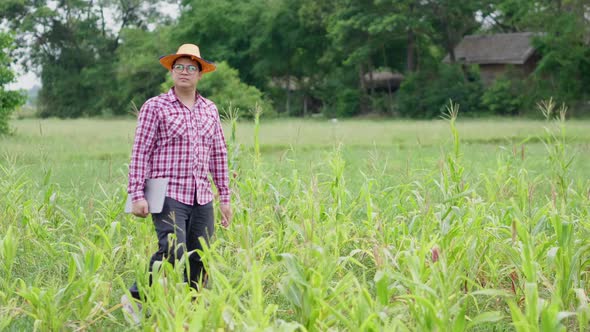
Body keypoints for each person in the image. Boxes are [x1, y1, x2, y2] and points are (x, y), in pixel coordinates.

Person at [121, 44, 232, 322]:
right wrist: (136, 194)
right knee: (173, 251)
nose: (185, 72)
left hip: (202, 196)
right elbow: (140, 152)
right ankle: (136, 297)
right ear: (172, 72)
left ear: (200, 75)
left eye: (191, 68)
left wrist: (226, 198)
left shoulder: (210, 109)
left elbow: (218, 154)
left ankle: (192, 312)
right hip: (168, 193)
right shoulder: (155, 107)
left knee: (201, 256)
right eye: (179, 67)